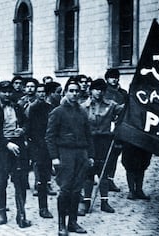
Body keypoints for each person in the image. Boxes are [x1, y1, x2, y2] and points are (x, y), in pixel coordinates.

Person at [45, 77, 94, 235]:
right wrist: (54, 157)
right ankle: (61, 224)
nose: (74, 94)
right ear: (65, 92)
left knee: (76, 190)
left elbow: (88, 135)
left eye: (76, 91)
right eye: (71, 91)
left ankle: (73, 222)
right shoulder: (57, 112)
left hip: (81, 154)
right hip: (65, 153)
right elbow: (49, 137)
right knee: (65, 190)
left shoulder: (82, 111)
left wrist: (90, 156)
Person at [0, 81, 31, 228]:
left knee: (20, 181)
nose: (7, 94)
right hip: (1, 148)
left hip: (17, 147)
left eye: (9, 92)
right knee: (0, 182)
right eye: (4, 92)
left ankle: (21, 214)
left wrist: (22, 130)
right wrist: (7, 143)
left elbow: (26, 123)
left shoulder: (17, 107)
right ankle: (2, 213)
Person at [78, 79, 124, 215]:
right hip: (89, 142)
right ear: (91, 90)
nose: (99, 92)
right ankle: (86, 201)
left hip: (105, 141)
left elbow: (124, 111)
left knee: (104, 172)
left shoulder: (111, 105)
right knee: (88, 172)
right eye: (96, 89)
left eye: (102, 89)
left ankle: (105, 201)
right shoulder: (83, 107)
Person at [26, 83, 54, 218]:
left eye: (44, 92)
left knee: (49, 175)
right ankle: (43, 208)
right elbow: (28, 128)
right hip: (38, 147)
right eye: (39, 92)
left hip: (50, 146)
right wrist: (32, 147)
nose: (42, 94)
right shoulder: (32, 108)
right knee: (41, 179)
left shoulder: (50, 108)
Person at [104, 68, 128, 192]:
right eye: (112, 77)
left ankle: (110, 179)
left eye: (116, 77)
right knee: (104, 154)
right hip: (105, 126)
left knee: (114, 154)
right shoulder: (103, 92)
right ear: (107, 79)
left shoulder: (123, 93)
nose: (115, 79)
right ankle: (102, 177)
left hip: (119, 127)